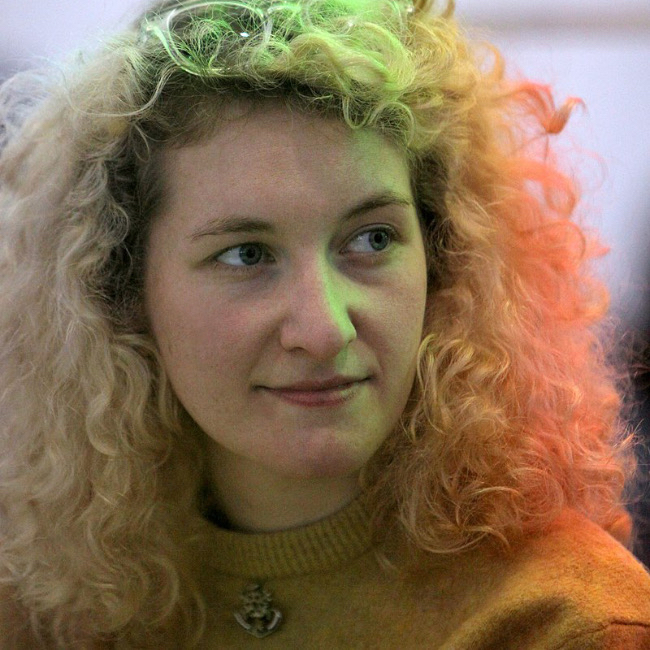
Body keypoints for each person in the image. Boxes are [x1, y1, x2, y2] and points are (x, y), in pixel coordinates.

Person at [0, 0, 649, 647]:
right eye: (246, 254)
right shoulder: (49, 603)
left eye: (371, 240)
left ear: (444, 259)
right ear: (122, 286)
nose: (324, 329)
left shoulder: (562, 625)